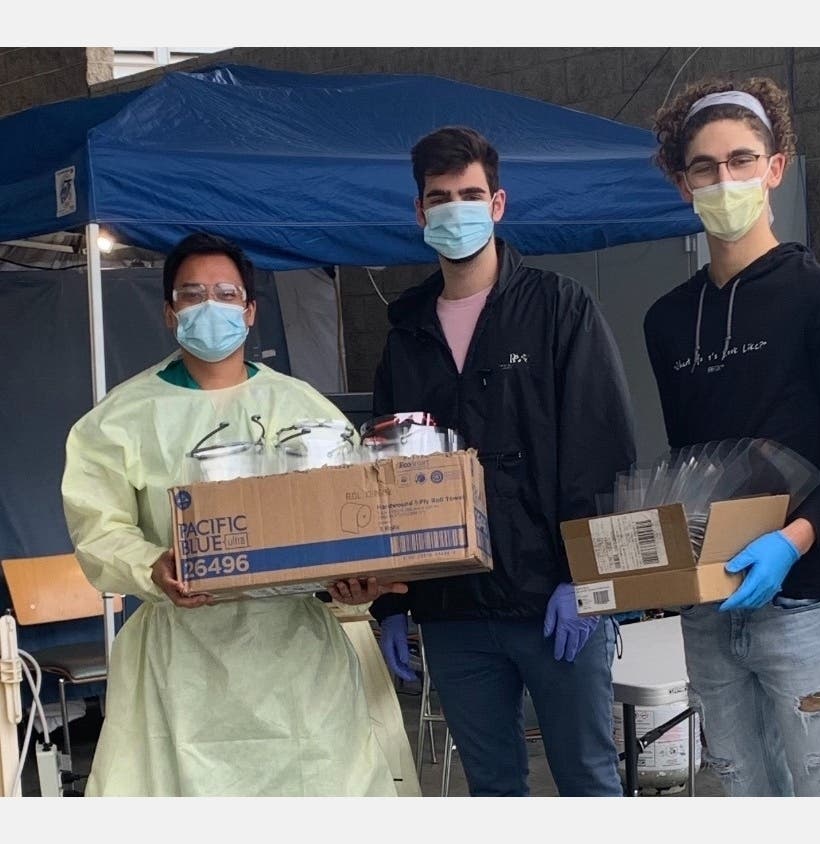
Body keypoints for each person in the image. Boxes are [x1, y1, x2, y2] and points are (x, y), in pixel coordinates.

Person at [61, 231, 410, 796]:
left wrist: (350, 586)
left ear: (249, 311)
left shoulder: (302, 410)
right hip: (182, 663)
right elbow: (99, 527)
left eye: (225, 294)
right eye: (192, 294)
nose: (210, 307)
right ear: (170, 314)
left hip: (295, 658)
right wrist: (154, 566)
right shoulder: (119, 419)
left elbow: (355, 519)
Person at [368, 126, 636, 797]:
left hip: (553, 602)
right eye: (439, 197)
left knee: (587, 780)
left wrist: (587, 579)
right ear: (418, 212)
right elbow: (385, 476)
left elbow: (601, 446)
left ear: (497, 204)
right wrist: (392, 602)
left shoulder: (556, 307)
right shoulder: (406, 334)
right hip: (454, 610)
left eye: (469, 194)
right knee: (491, 786)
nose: (454, 208)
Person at [645, 78, 820, 796]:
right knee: (738, 784)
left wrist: (793, 539)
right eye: (705, 168)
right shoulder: (666, 319)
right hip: (709, 605)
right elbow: (689, 460)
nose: (725, 181)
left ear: (775, 168)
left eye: (742, 161)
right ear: (681, 183)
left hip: (803, 598)